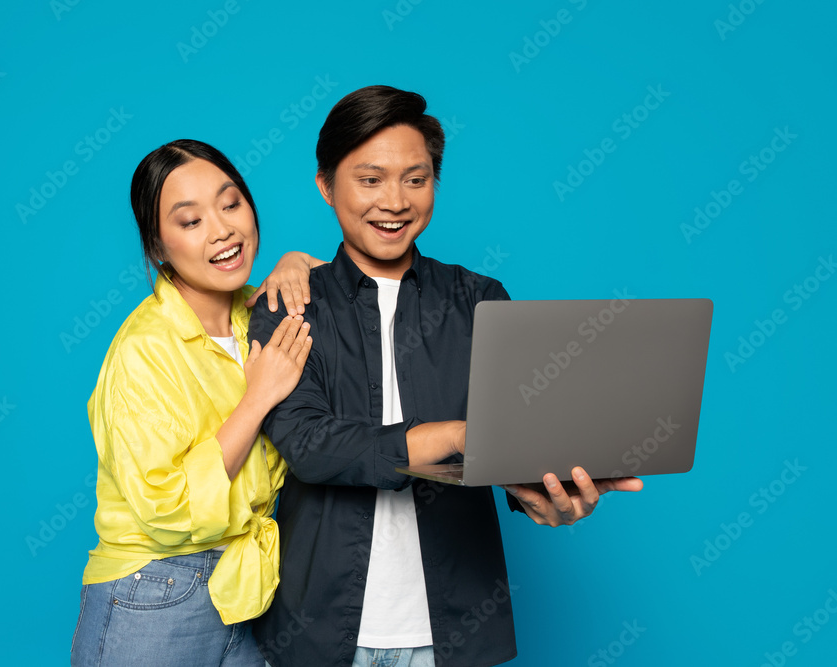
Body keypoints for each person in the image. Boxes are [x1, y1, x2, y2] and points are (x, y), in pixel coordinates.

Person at [248, 86, 644, 667]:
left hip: (456, 631)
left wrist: (547, 497)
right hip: (319, 632)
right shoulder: (291, 305)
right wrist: (454, 435)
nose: (395, 200)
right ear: (326, 185)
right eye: (370, 178)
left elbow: (515, 444)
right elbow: (310, 444)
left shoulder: (482, 301)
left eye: (416, 178)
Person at [70, 139, 324, 666]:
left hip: (245, 587)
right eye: (190, 221)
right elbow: (169, 508)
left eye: (230, 204)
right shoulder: (143, 350)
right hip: (152, 590)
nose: (222, 229)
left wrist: (299, 264)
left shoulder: (256, 316)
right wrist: (255, 400)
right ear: (158, 247)